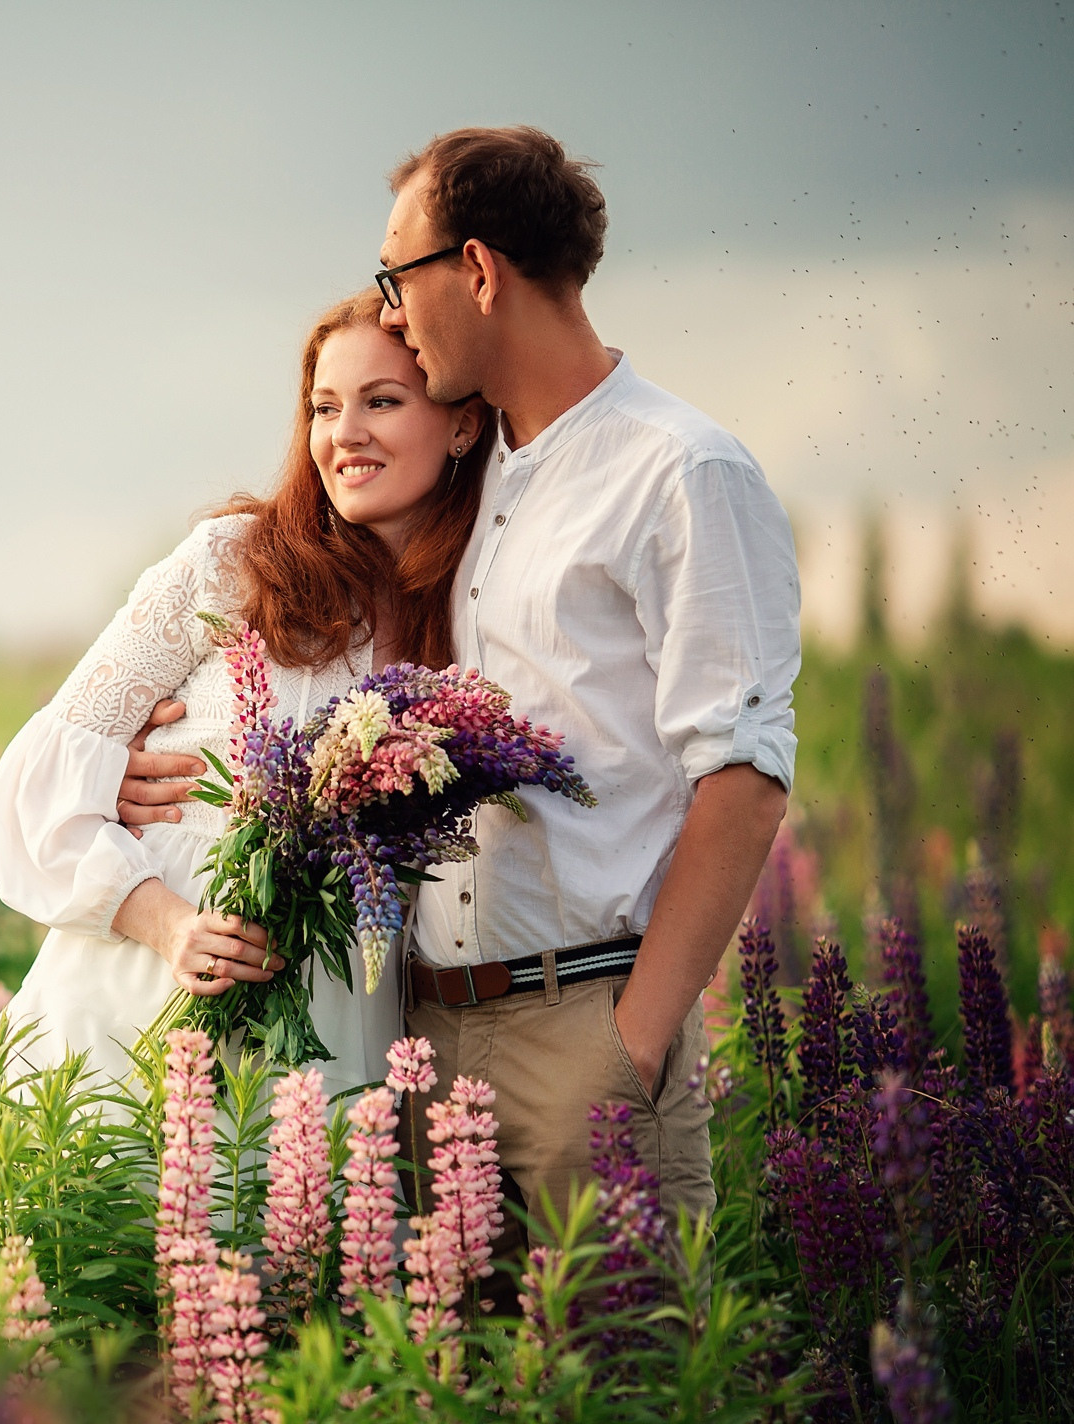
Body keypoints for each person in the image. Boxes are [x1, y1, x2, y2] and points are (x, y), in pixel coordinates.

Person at [373, 126, 798, 1261]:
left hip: (587, 1025)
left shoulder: (682, 467)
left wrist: (632, 1044)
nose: (391, 315)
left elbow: (747, 775)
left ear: (475, 270)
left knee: (623, 1380)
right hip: (433, 1034)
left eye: (396, 277)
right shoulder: (476, 478)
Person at [0, 290, 494, 1103]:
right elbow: (41, 778)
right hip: (150, 994)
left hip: (336, 1007)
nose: (343, 433)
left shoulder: (472, 607)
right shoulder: (235, 562)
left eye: (381, 402)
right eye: (323, 407)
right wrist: (166, 923)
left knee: (294, 1216)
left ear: (461, 423)